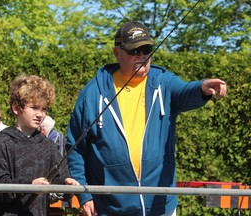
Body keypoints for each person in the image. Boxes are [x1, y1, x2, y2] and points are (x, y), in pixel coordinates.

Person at [66, 21, 227, 216]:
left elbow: (185, 92)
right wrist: (84, 194)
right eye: (135, 51)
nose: (142, 56)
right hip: (110, 209)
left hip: (161, 207)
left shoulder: (163, 82)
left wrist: (202, 88)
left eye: (147, 49)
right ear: (117, 53)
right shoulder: (93, 93)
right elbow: (75, 148)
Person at [0, 74, 79, 215]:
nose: (40, 114)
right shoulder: (3, 140)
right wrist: (29, 185)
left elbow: (58, 179)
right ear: (16, 108)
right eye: (34, 107)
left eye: (44, 109)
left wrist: (66, 185)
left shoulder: (48, 145)